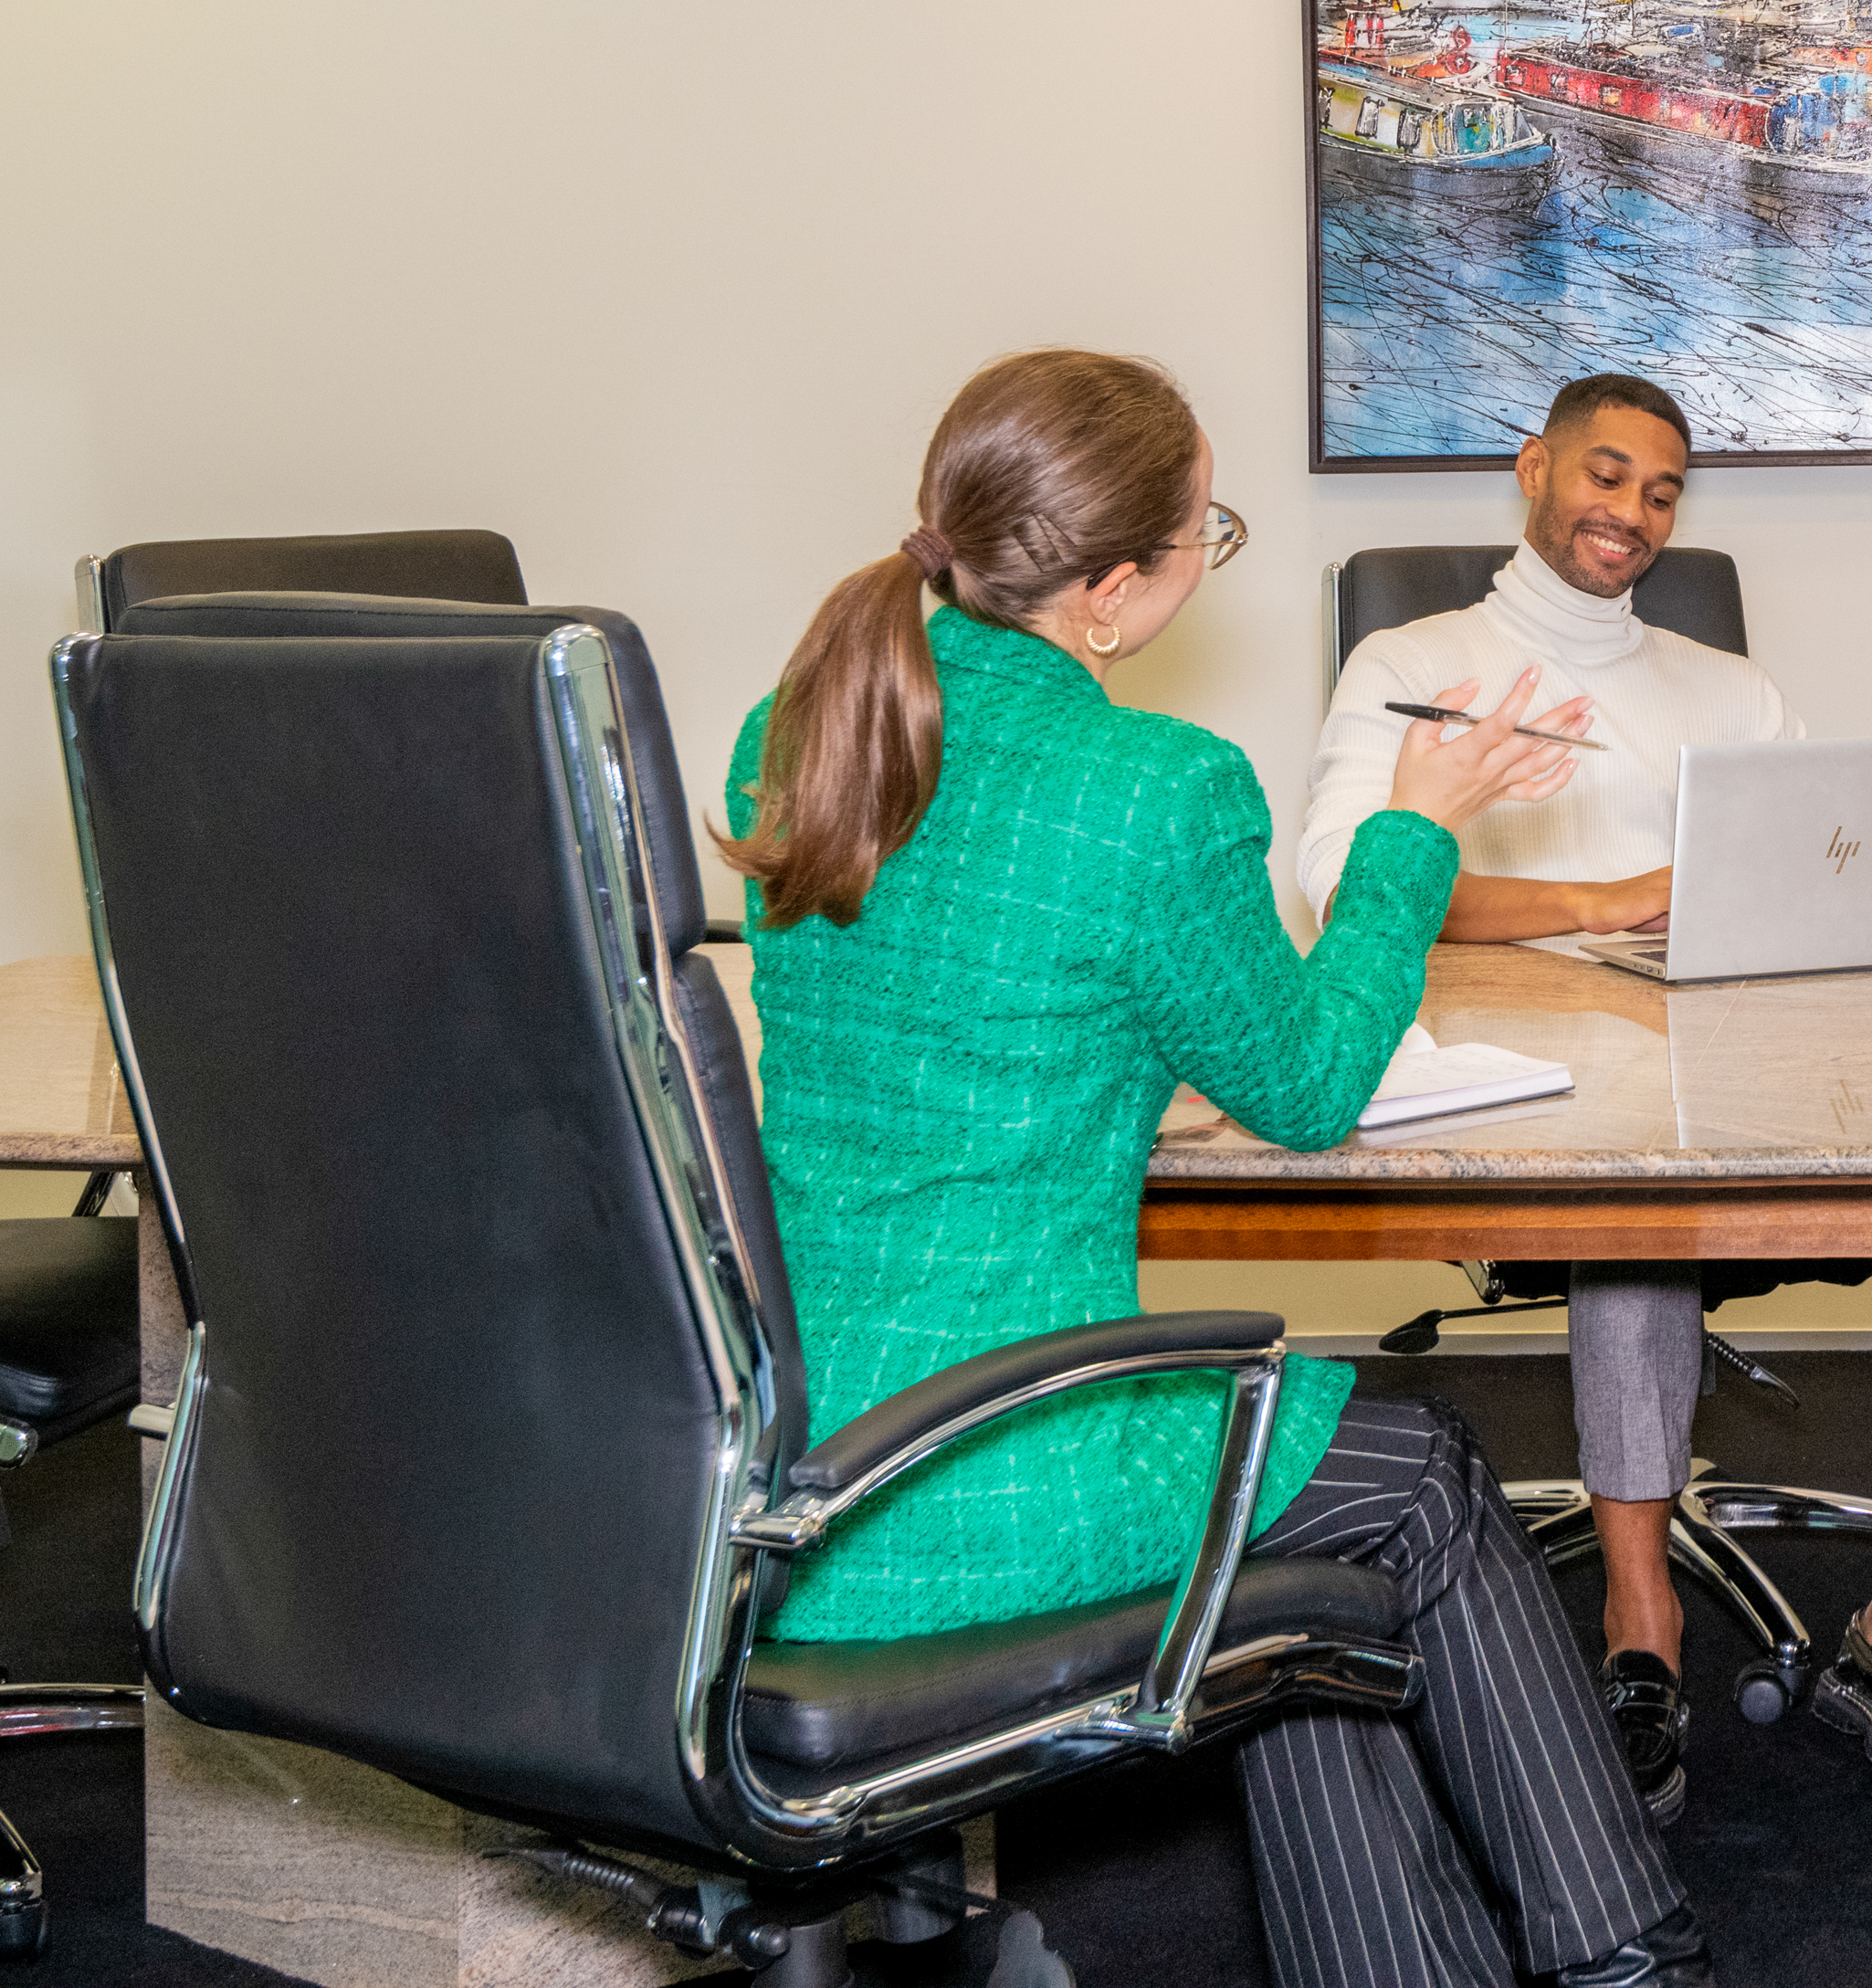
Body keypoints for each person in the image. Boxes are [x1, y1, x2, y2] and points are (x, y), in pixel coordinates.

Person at [719, 349, 1710, 1988]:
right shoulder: (1156, 790)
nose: (1209, 555)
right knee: (1424, 1478)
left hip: (785, 1452)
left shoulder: (800, 730)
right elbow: (1310, 1086)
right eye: (1207, 530)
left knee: (1314, 1557)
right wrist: (1417, 824)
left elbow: (973, 998)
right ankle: (1629, 1957)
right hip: (1002, 1459)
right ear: (1114, 591)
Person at [1300, 373, 1872, 1812]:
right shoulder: (1417, 659)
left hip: (1743, 1071)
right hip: (1536, 1096)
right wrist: (1606, 900)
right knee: (1638, 1205)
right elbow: (1346, 883)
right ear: (1532, 468)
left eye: (1661, 492)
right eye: (1606, 475)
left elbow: (1816, 883)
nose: (1632, 512)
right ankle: (1639, 1622)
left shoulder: (1729, 690)